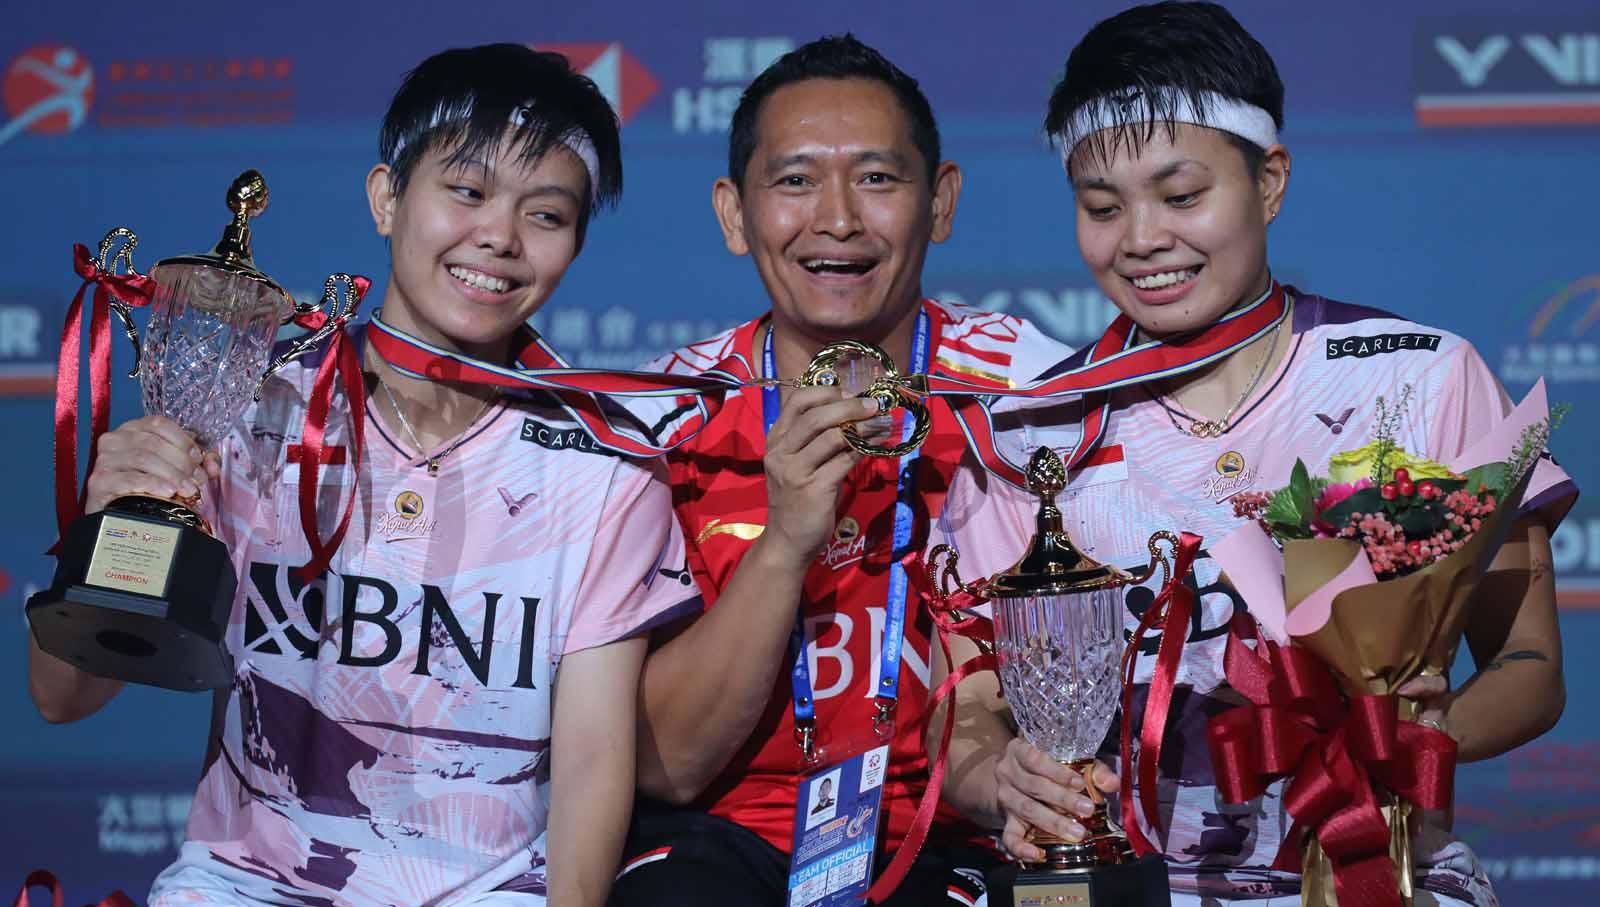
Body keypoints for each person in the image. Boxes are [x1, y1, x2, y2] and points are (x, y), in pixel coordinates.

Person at [932, 4, 1577, 905]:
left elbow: (1529, 666)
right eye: (1102, 207)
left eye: (1182, 195)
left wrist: (1413, 740)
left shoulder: (1425, 377)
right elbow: (963, 706)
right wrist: (997, 777)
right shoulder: (1030, 433)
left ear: (1269, 181)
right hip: (1118, 887)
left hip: (1373, 873)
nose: (1143, 238)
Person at [27, 44, 699, 906]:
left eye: (547, 214)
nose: (498, 236)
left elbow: (594, 767)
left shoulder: (607, 467)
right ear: (387, 198)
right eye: (467, 191)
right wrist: (111, 531)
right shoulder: (248, 410)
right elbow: (62, 696)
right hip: (243, 886)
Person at [609, 35, 1075, 907]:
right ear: (733, 212)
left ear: (940, 202)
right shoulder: (663, 421)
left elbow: (997, 686)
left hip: (950, 835)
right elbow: (663, 764)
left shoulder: (1025, 398)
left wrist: (1002, 778)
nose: (837, 220)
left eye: (876, 178)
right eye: (794, 181)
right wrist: (785, 543)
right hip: (723, 840)